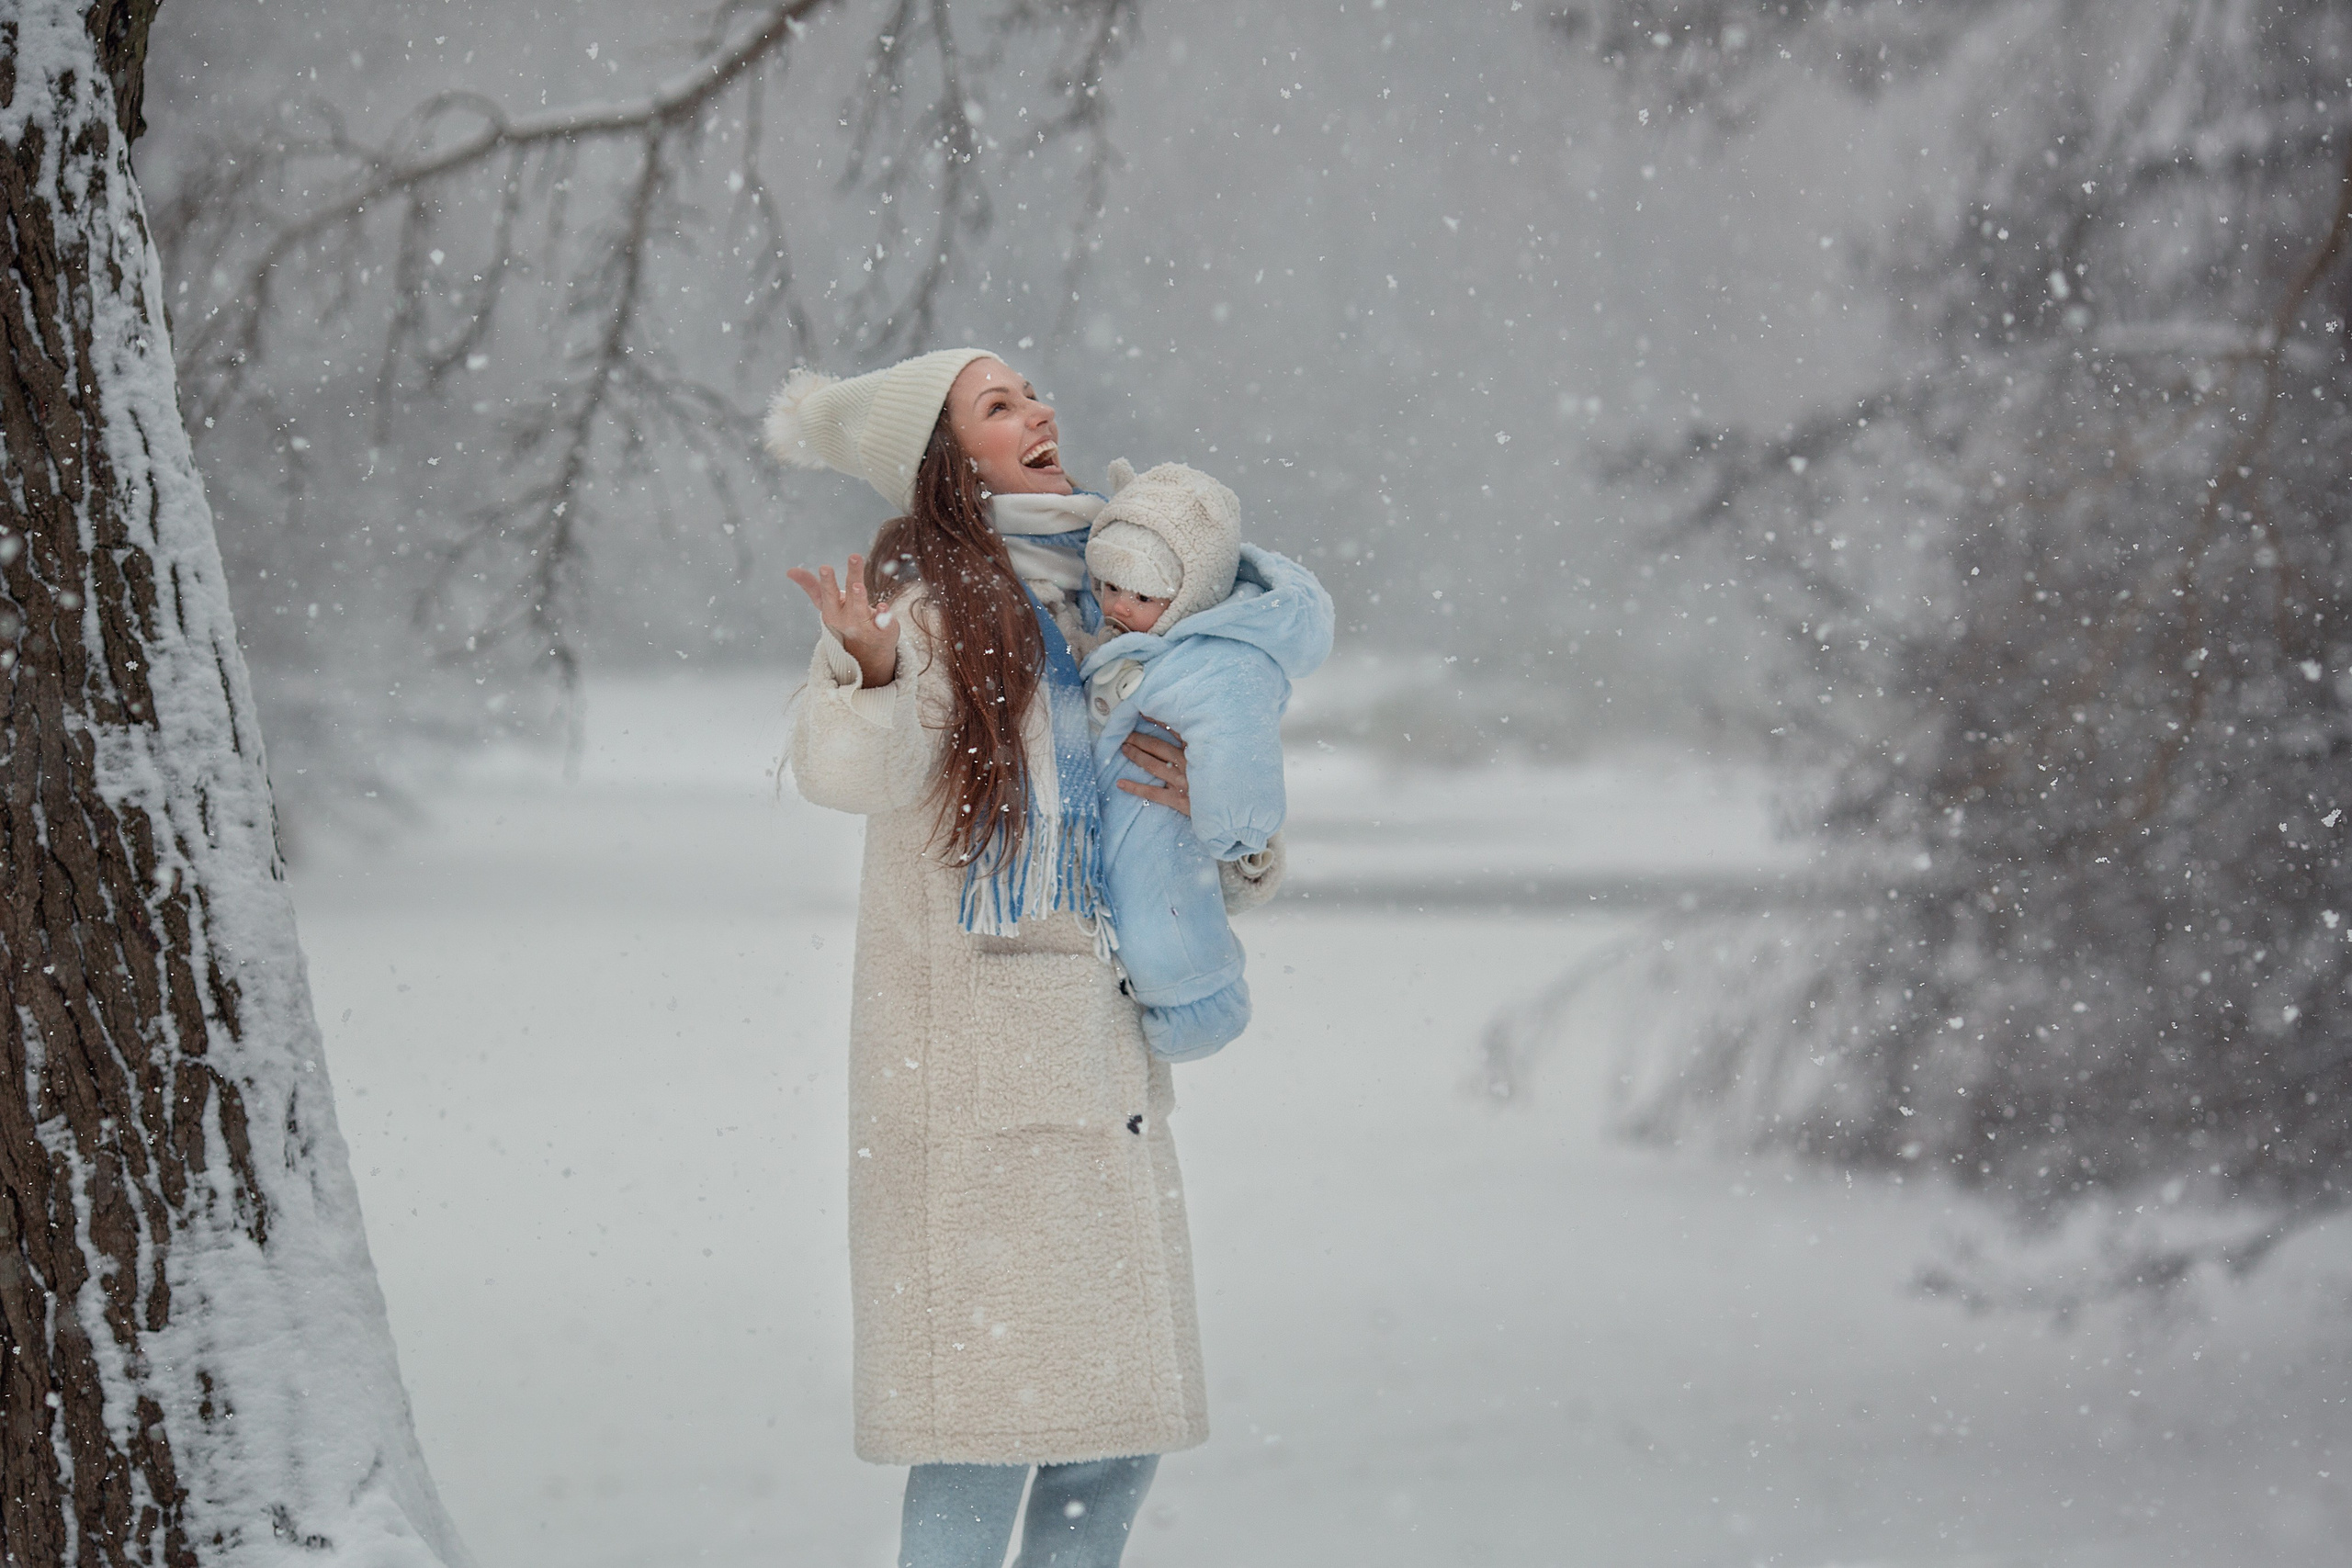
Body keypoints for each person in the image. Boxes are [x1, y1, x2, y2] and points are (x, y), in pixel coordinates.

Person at [768, 349, 1285, 1568]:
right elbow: (855, 770)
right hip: (971, 1074)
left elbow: (1170, 835)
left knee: (1112, 1433)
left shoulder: (1122, 607)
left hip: (1094, 1062)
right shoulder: (928, 611)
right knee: (984, 1429)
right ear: (949, 462)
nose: (1038, 411)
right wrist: (867, 667)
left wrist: (1229, 825)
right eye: (998, 406)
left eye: (1030, 392)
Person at [1077, 460, 1333, 1060]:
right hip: (1114, 837)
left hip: (1154, 831)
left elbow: (1235, 731)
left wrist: (1237, 823)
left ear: (1190, 593)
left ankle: (1201, 1005)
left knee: (1164, 922)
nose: (1118, 605)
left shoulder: (1213, 660)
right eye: (1108, 586)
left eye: (1141, 595)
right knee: (1154, 908)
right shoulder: (1135, 638)